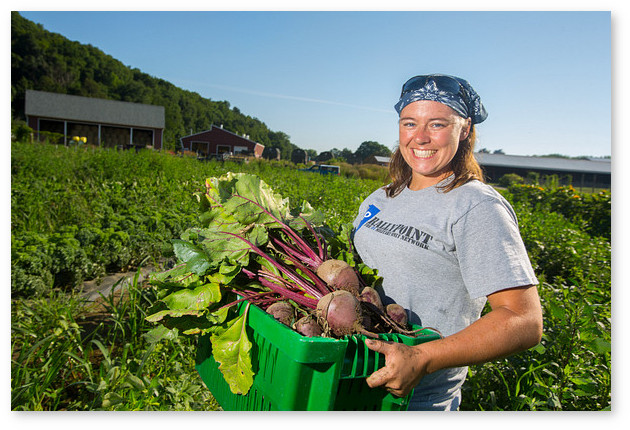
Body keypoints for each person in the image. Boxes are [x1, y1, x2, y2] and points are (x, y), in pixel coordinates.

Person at [352, 74, 543, 411]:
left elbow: (523, 321)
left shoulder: (475, 205)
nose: (420, 137)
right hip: (348, 383)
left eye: (437, 124)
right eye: (409, 123)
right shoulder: (380, 198)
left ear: (464, 129)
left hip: (413, 400)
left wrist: (422, 357)